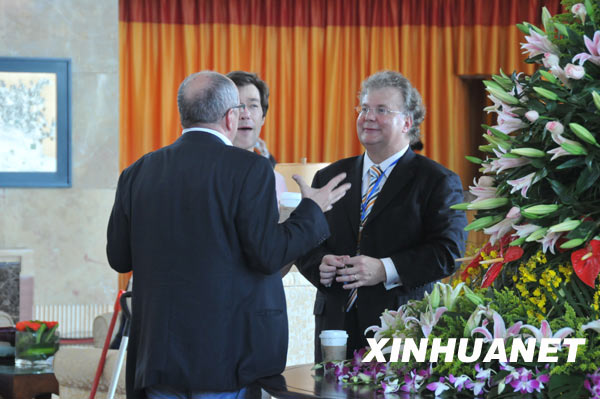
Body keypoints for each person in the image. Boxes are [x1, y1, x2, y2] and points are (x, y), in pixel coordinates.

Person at [106, 71, 351, 399]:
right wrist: (311, 211)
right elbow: (267, 255)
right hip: (224, 358)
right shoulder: (250, 169)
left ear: (183, 114)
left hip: (158, 357)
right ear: (229, 116)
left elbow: (118, 257)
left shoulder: (137, 171)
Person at [296, 70, 468, 362]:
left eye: (381, 110)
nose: (368, 117)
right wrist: (318, 263)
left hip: (400, 325)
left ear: (407, 122)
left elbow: (449, 252)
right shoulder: (329, 176)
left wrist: (385, 269)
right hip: (334, 325)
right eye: (364, 108)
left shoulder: (437, 180)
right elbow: (306, 242)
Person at [226, 71, 287, 202]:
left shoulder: (276, 181)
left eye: (253, 105)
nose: (245, 114)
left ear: (263, 117)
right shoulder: (207, 176)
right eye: (236, 105)